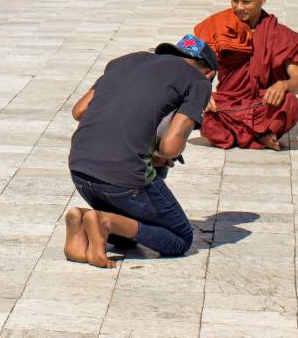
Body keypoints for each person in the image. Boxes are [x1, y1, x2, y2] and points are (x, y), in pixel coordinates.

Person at [61, 34, 217, 268]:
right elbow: (170, 147)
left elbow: (79, 111)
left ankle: (83, 224)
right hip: (122, 179)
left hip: (80, 170)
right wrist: (157, 150)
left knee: (126, 238)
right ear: (209, 73)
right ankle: (103, 221)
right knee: (179, 240)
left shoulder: (124, 61)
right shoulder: (198, 81)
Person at [193, 0, 298, 150]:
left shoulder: (281, 35)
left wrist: (283, 86)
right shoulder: (217, 25)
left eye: (246, 2)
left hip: (262, 103)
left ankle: (242, 134)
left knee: (291, 104)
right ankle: (259, 135)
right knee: (203, 119)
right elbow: (190, 67)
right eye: (235, 1)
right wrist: (203, 93)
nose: (239, 7)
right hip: (227, 103)